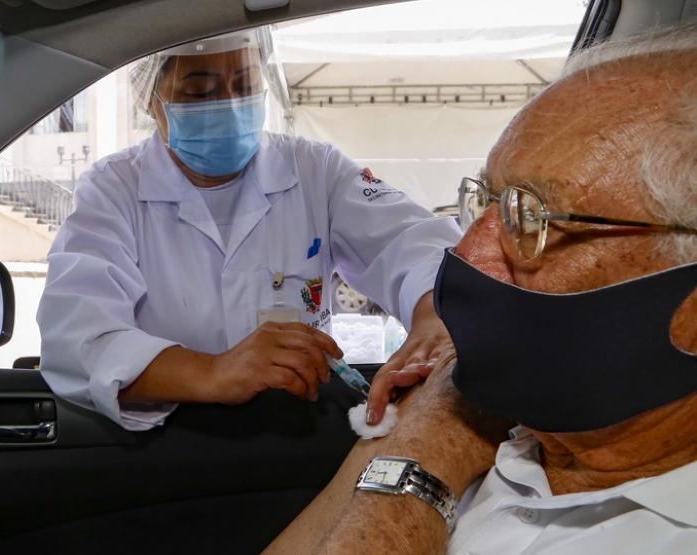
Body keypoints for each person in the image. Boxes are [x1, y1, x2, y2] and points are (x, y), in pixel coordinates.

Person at [267, 22, 697, 554]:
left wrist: (420, 461)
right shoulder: (502, 419)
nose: (467, 254)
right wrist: (436, 426)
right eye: (487, 200)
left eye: (530, 218)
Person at [36, 28, 462, 431]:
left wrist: (432, 320)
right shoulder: (114, 189)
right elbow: (77, 338)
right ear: (150, 98)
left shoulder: (315, 170)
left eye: (244, 85)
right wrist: (213, 372)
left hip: (302, 436)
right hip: (170, 443)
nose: (231, 105)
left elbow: (416, 243)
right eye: (200, 92)